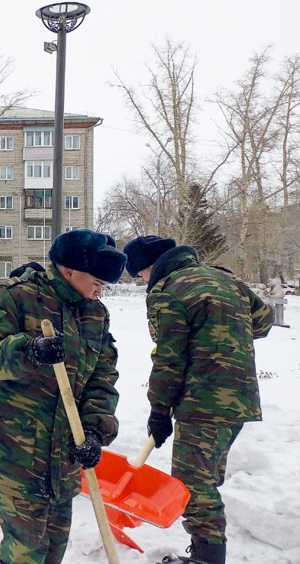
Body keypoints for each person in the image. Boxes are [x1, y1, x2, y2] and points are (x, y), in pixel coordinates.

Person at [0, 229, 127, 564]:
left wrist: (95, 429)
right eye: (95, 283)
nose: (98, 293)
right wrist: (29, 351)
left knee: (53, 547)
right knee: (26, 552)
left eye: (103, 287)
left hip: (65, 455)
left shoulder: (94, 314)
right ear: (69, 271)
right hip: (17, 451)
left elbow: (102, 375)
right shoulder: (17, 297)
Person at [123, 236, 274, 564]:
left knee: (192, 484)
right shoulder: (226, 279)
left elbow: (169, 358)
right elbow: (264, 321)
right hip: (240, 398)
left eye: (140, 275)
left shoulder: (167, 291)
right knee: (205, 479)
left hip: (202, 402)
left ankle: (207, 558)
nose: (143, 282)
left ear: (150, 267)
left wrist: (159, 410)